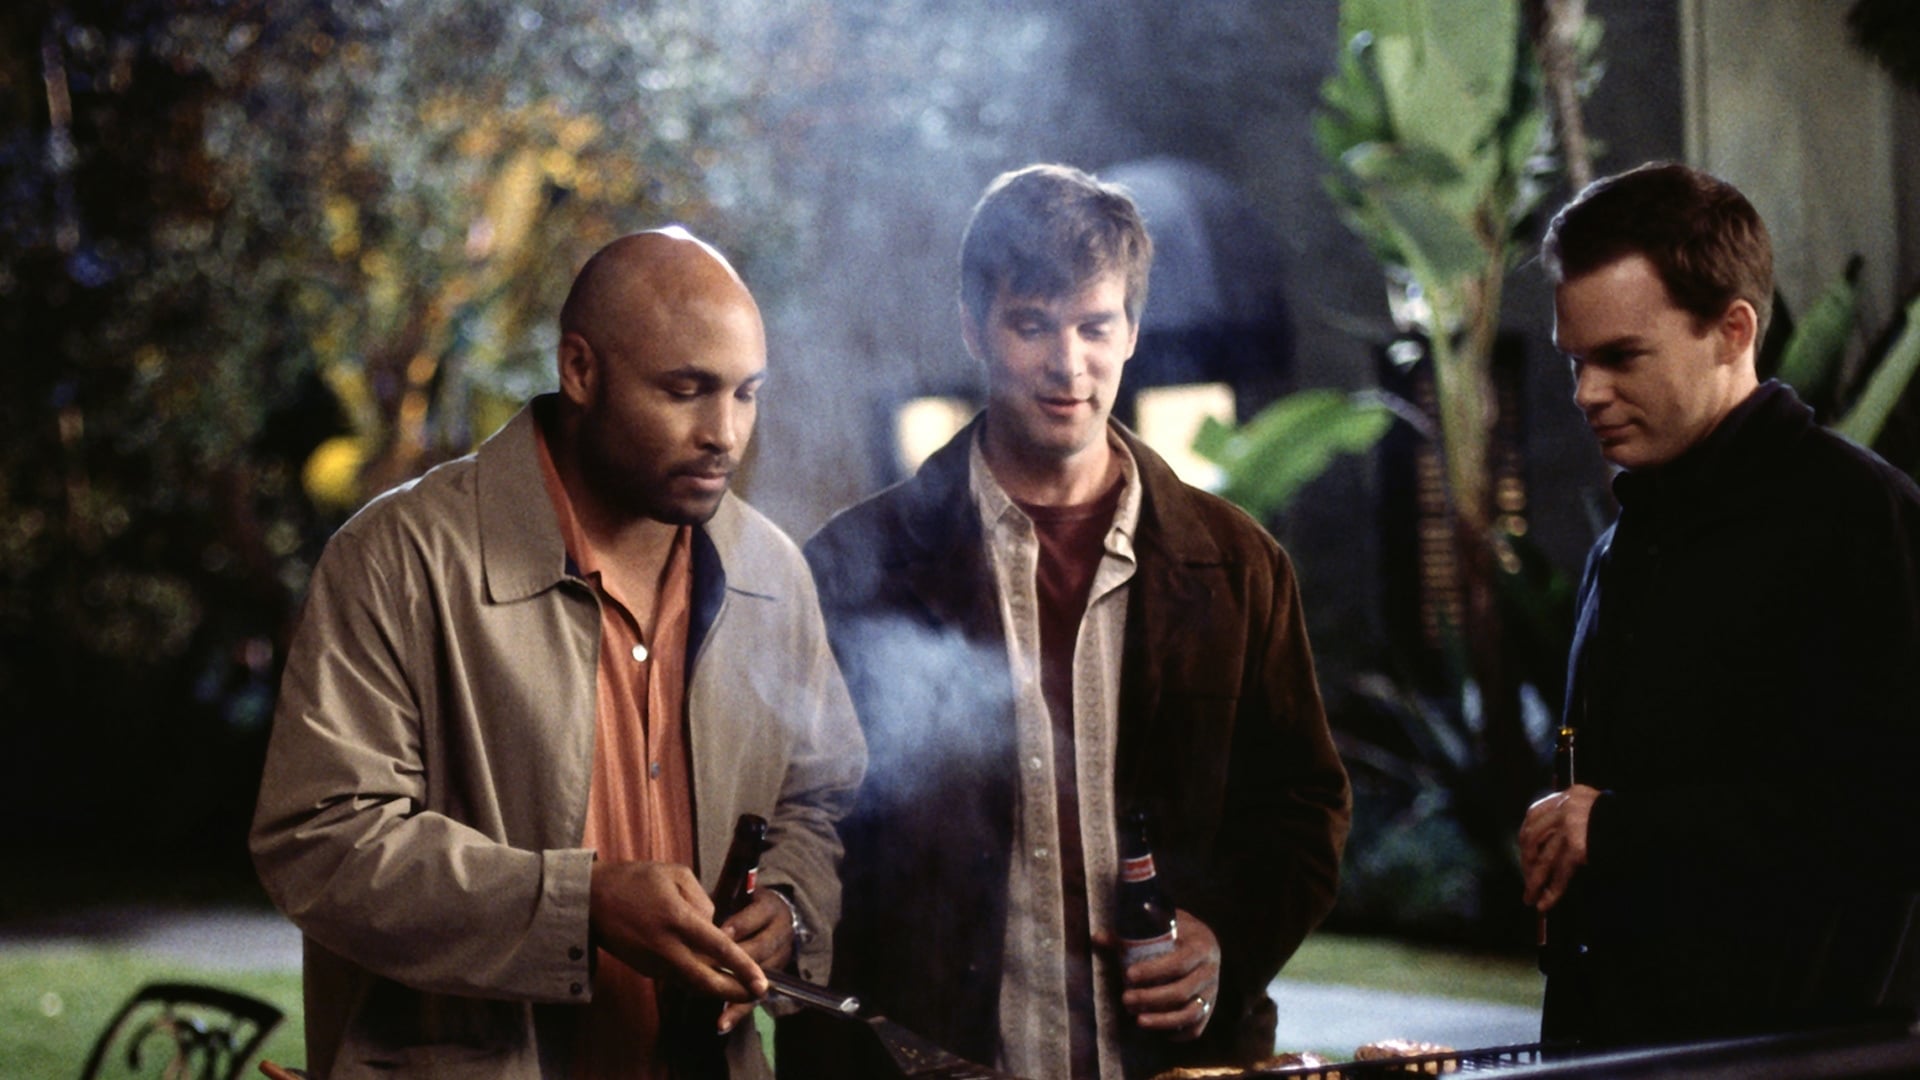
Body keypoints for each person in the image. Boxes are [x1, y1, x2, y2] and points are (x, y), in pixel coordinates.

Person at [250, 229, 866, 1079]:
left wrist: (789, 906)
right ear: (579, 370)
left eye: (746, 394)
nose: (725, 434)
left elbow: (818, 799)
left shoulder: (772, 573)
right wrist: (580, 907)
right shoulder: (400, 557)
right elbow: (320, 841)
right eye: (685, 390)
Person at [792, 164, 1351, 1078]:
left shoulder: (1237, 567)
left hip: (1174, 1065)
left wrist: (1226, 937)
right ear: (974, 327)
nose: (1068, 363)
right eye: (1031, 324)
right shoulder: (859, 566)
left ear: (1131, 330)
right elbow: (807, 819)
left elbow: (1303, 809)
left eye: (1094, 326)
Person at [1519, 162, 1920, 1048]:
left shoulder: (1860, 521)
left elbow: (1890, 812)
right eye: (1576, 361)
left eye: (1621, 357)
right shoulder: (1624, 546)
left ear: (1733, 331)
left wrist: (1615, 828)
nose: (1586, 394)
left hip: (1800, 1054)